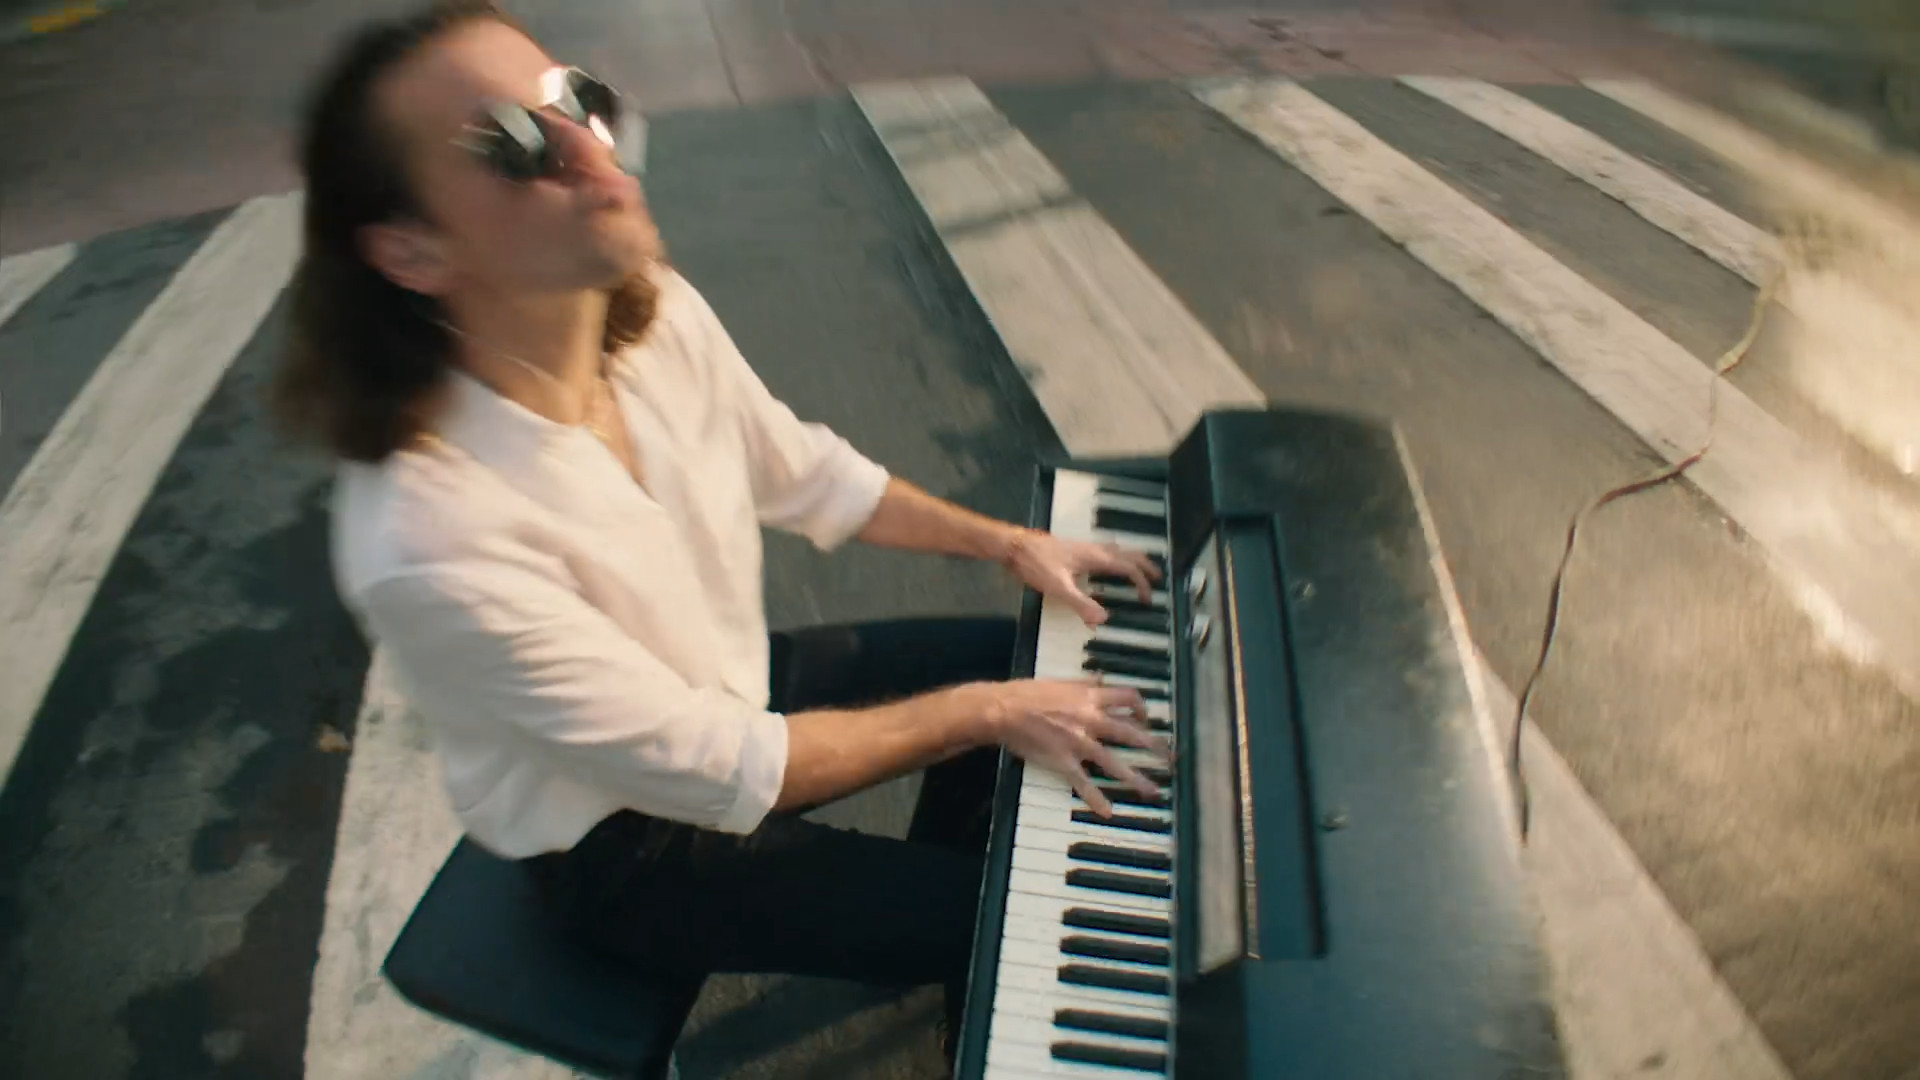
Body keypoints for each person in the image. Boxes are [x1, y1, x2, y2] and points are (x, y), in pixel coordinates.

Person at [274, 0, 1167, 1068]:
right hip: (626, 847)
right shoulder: (428, 536)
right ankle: (964, 946)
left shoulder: (647, 310)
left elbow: (805, 473)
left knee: (1029, 657)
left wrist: (1011, 547)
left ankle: (946, 938)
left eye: (578, 102)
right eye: (509, 144)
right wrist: (985, 714)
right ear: (412, 252)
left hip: (731, 688)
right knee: (1047, 908)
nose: (586, 147)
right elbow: (722, 769)